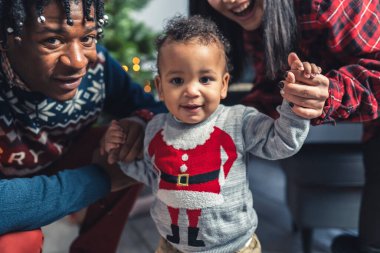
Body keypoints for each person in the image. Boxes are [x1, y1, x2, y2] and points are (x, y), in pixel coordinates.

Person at [99, 15, 322, 253]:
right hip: (172, 246)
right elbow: (149, 173)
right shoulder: (155, 128)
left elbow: (282, 143)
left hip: (235, 247)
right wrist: (121, 153)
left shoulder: (238, 120)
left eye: (205, 79)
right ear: (160, 88)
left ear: (223, 85)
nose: (192, 91)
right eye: (177, 80)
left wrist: (293, 108)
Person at [189, 0, 380, 252]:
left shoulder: (328, 4)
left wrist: (332, 92)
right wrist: (224, 125)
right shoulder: (256, 23)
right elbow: (271, 89)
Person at [0, 0, 165, 252]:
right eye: (52, 40)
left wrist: (137, 122)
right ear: (8, 39)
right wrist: (98, 180)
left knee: (128, 144)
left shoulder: (97, 65)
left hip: (56, 159)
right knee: (19, 240)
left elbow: (155, 109)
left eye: (88, 37)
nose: (78, 61)